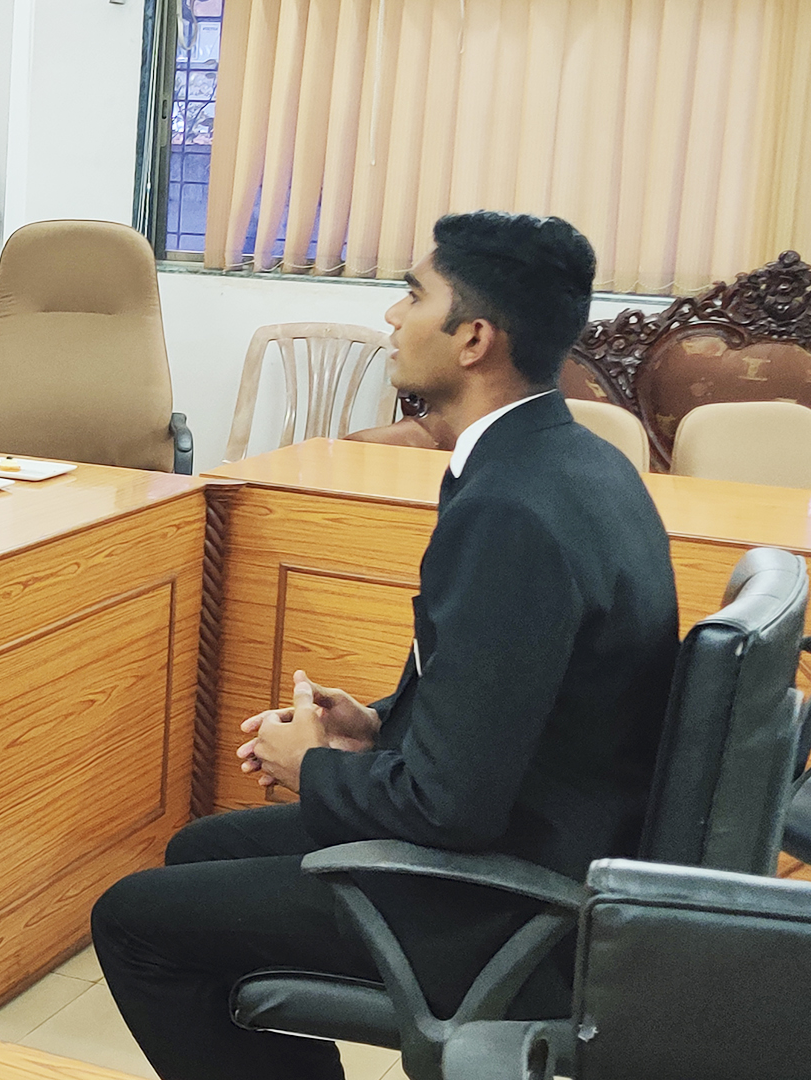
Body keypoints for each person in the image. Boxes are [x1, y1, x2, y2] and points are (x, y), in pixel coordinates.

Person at [91, 212, 679, 1080]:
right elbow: (515, 693)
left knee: (132, 921)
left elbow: (452, 810)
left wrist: (314, 767)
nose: (392, 317)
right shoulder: (576, 462)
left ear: (473, 337)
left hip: (505, 896)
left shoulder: (510, 512)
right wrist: (376, 726)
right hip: (551, 831)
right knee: (197, 852)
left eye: (413, 294)